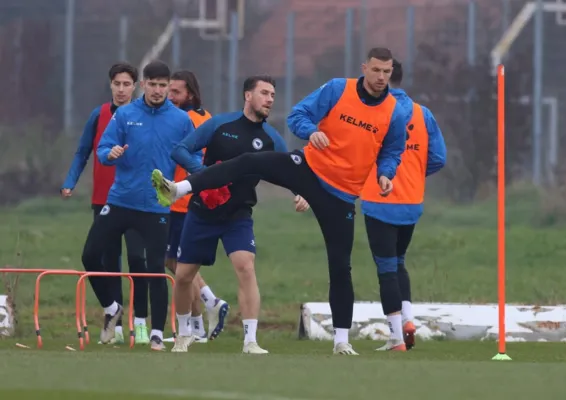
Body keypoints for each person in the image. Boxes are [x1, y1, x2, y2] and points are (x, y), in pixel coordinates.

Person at [151, 47, 412, 355]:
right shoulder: (338, 89)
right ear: (364, 68)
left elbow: (392, 151)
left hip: (341, 194)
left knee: (341, 265)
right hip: (309, 168)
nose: (382, 77)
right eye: (377, 70)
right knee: (250, 160)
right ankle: (179, 189)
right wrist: (311, 131)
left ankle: (341, 342)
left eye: (387, 72)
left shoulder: (395, 110)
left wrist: (385, 173)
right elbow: (298, 115)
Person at [154, 74, 309, 354]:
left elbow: (290, 171)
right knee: (184, 276)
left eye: (273, 94)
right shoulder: (220, 125)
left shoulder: (270, 137)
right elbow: (181, 150)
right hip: (202, 211)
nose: (270, 99)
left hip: (238, 214)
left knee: (246, 268)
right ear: (248, 96)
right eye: (264, 93)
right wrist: (206, 175)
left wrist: (299, 192)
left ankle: (250, 341)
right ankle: (183, 334)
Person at [80, 60, 195, 351]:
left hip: (156, 206)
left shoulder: (181, 121)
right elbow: (103, 148)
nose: (157, 91)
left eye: (162, 86)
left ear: (169, 87)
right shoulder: (126, 115)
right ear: (143, 85)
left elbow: (193, 156)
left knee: (154, 268)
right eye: (152, 85)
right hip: (120, 201)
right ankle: (111, 307)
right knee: (90, 255)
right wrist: (111, 153)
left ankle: (157, 332)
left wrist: (200, 175)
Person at [61, 62, 150, 345]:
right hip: (104, 200)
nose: (122, 89)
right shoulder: (98, 115)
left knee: (138, 258)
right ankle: (115, 320)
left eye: (127, 84)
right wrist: (70, 181)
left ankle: (142, 324)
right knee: (108, 262)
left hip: (137, 201)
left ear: (135, 86)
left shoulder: (143, 116)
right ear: (110, 85)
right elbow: (82, 151)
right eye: (117, 84)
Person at [360, 59, 446, 351]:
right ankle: (408, 320)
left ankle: (397, 337)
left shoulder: (373, 112)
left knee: (385, 268)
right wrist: (413, 175)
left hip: (378, 200)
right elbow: (438, 158)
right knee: (398, 263)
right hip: (411, 202)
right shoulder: (423, 114)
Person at [166, 70, 229, 343]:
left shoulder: (186, 119)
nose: (170, 97)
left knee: (178, 265)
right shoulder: (206, 116)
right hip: (190, 198)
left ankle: (208, 304)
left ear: (189, 93)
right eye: (169, 91)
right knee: (179, 264)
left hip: (181, 201)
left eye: (175, 92)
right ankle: (198, 325)